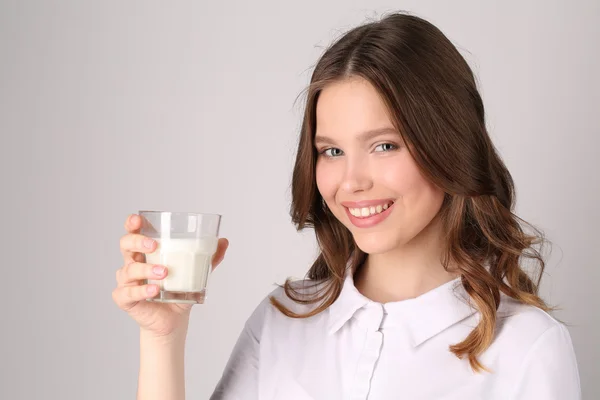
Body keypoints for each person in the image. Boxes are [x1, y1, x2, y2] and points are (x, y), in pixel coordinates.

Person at [113, 11, 581, 400]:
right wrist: (163, 337)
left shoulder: (528, 348)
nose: (352, 182)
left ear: (449, 144)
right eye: (331, 151)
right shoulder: (281, 319)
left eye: (384, 145)